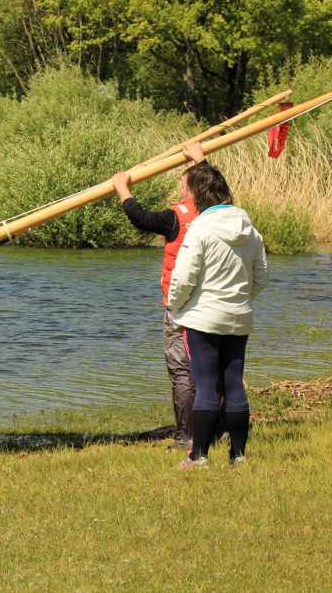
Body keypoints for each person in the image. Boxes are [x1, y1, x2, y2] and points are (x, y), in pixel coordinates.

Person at [111, 143, 210, 450]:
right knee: (209, 367)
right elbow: (218, 186)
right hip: (212, 303)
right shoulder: (219, 211)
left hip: (181, 305)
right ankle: (217, 429)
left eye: (183, 184)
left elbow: (140, 218)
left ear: (191, 186)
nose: (179, 190)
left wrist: (121, 188)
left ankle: (187, 438)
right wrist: (201, 159)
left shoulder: (176, 217)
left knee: (182, 371)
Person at [167, 164, 268, 468]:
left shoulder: (199, 229)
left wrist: (176, 306)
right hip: (239, 316)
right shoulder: (250, 229)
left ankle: (198, 456)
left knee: (207, 384)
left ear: (198, 196)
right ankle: (238, 455)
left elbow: (182, 279)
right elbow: (261, 276)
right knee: (234, 383)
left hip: (202, 318)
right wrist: (240, 299)